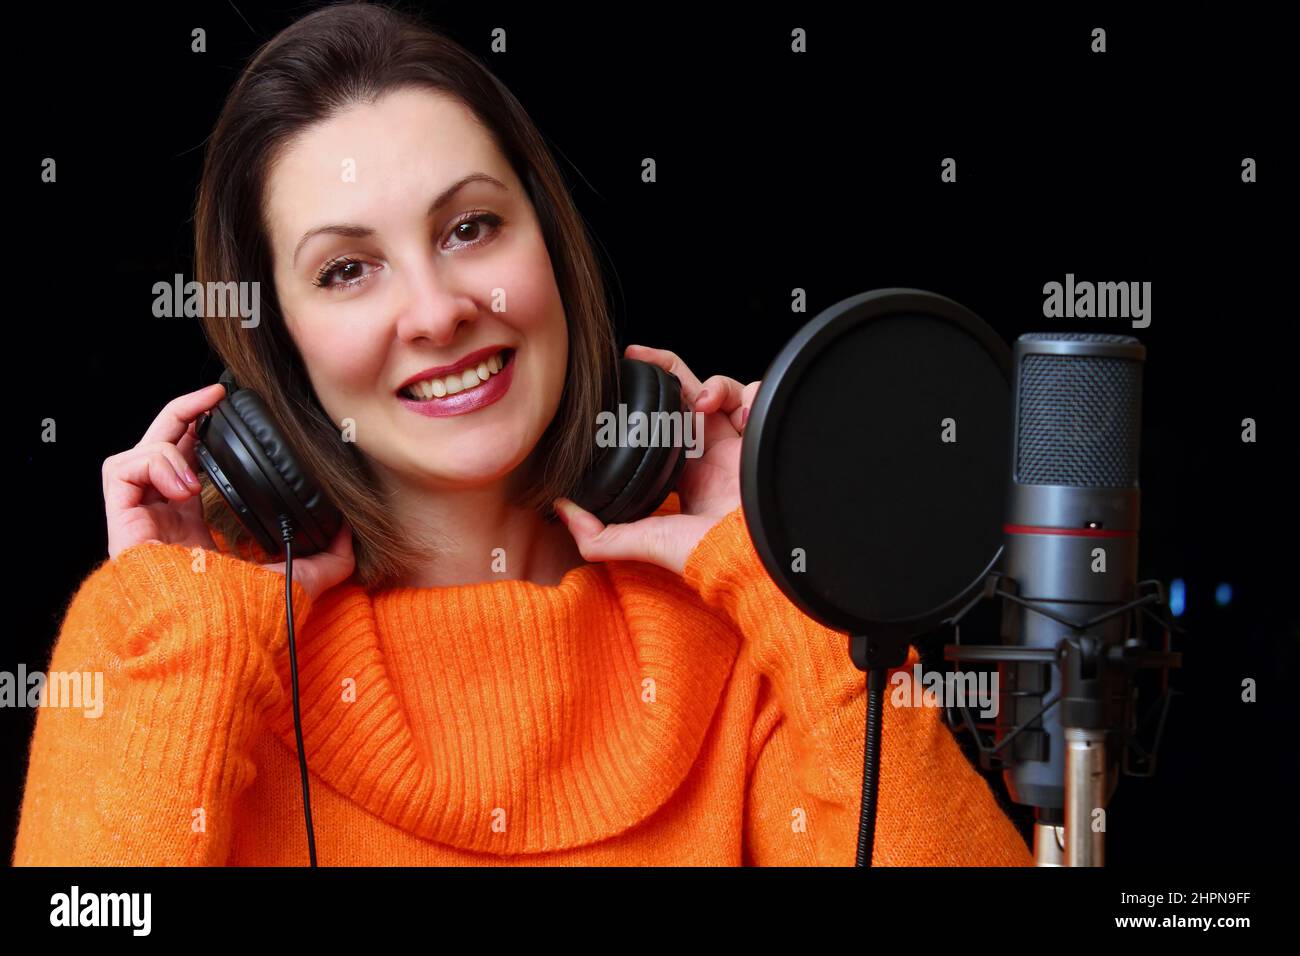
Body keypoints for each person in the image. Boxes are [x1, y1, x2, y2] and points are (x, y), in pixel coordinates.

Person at [12, 2, 1031, 866]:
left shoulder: (742, 628)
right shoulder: (183, 644)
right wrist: (177, 627)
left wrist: (783, 576)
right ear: (278, 351)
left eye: (469, 227)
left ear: (548, 243)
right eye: (346, 269)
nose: (437, 309)